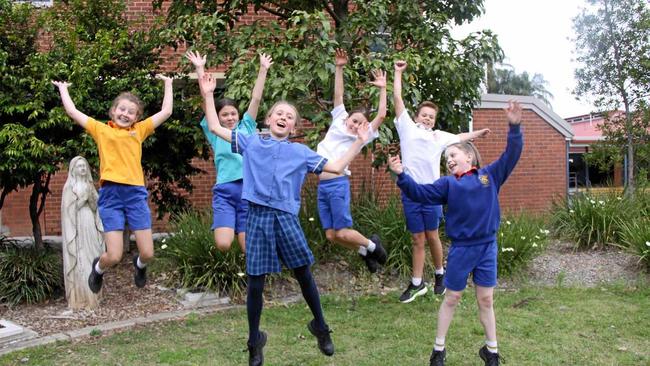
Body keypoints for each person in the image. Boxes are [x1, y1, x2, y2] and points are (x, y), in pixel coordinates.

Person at [199, 70, 370, 366]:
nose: (283, 117)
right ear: (268, 120)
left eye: (289, 116)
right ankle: (254, 341)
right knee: (255, 282)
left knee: (303, 273)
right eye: (279, 113)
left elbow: (338, 165)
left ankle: (320, 326)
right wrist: (207, 93)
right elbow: (214, 126)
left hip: (286, 219)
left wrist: (358, 142)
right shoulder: (250, 142)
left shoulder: (301, 153)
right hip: (256, 218)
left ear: (293, 127)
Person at [388, 100, 523, 366]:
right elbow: (420, 194)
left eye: (453, 155)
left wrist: (514, 126)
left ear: (469, 157)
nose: (449, 160)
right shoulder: (446, 184)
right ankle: (438, 350)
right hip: (462, 249)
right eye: (446, 157)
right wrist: (402, 175)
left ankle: (491, 352)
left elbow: (512, 153)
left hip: (487, 247)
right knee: (452, 297)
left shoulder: (490, 176)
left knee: (486, 299)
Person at [52, 75, 173, 294]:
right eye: (122, 109)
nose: (125, 114)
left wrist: (168, 83)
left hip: (135, 194)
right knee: (114, 256)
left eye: (131, 112)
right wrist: (63, 90)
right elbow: (73, 112)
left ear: (137, 117)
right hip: (111, 195)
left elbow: (166, 112)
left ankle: (139, 266)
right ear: (113, 111)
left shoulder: (140, 131)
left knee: (148, 254)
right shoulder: (101, 130)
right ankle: (98, 269)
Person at [393, 60, 491, 302]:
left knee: (433, 235)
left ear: (434, 121)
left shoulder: (438, 137)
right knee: (417, 238)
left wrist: (478, 133)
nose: (427, 119)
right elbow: (397, 100)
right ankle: (417, 283)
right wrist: (397, 73)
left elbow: (460, 136)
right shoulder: (407, 128)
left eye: (431, 117)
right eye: (424, 115)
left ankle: (439, 274)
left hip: (433, 194)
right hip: (411, 192)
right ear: (416, 116)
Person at [186, 50, 273, 254]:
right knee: (223, 244)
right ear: (218, 118)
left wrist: (263, 69)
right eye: (225, 115)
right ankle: (230, 225)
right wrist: (200, 69)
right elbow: (207, 97)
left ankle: (253, 281)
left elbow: (256, 99)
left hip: (248, 192)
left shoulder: (246, 128)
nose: (230, 118)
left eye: (233, 113)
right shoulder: (216, 132)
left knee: (247, 248)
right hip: (225, 191)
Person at [316, 48, 388, 273]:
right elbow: (338, 96)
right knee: (331, 235)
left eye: (361, 124)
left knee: (344, 232)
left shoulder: (361, 138)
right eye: (355, 120)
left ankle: (374, 247)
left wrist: (383, 89)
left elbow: (382, 115)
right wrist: (339, 67)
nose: (356, 126)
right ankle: (364, 251)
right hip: (322, 186)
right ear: (348, 118)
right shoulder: (339, 120)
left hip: (337, 184)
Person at [61, 156, 105, 309]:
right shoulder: (69, 188)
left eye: (84, 166)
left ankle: (94, 295)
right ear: (73, 169)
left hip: (89, 224)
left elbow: (95, 208)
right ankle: (81, 297)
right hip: (77, 226)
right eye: (79, 166)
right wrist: (83, 199)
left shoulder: (89, 185)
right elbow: (69, 212)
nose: (83, 168)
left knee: (93, 256)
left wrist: (92, 199)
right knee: (81, 260)